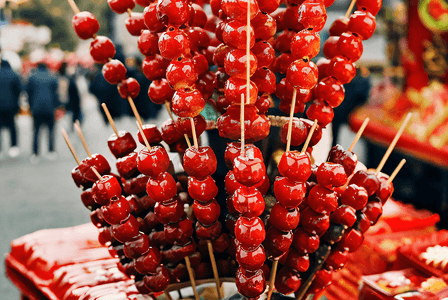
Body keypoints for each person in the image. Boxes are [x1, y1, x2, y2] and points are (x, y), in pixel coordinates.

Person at [26, 62, 60, 162]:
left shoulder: (32, 77)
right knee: (51, 130)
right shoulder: (52, 76)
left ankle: (35, 153)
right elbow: (55, 93)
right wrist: (56, 106)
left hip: (36, 108)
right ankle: (51, 151)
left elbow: (28, 93)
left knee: (36, 131)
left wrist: (30, 106)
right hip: (49, 108)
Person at [0, 59, 22, 158]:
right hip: (11, 106)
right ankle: (13, 147)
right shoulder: (14, 75)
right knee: (12, 126)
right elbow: (19, 90)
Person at [58, 62, 81, 127]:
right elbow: (75, 94)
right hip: (70, 104)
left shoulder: (59, 78)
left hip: (65, 104)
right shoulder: (70, 80)